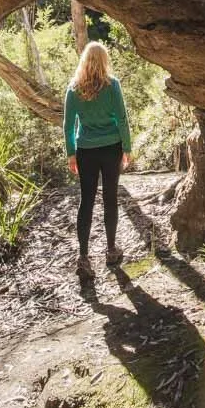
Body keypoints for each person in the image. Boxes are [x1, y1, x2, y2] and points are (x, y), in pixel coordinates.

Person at [63, 40, 133, 275]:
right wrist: (127, 147)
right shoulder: (113, 86)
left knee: (87, 201)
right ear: (104, 61)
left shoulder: (73, 88)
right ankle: (111, 250)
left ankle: (83, 257)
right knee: (110, 198)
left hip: (86, 151)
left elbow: (68, 126)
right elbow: (122, 118)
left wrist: (71, 153)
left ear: (84, 61)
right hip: (111, 147)